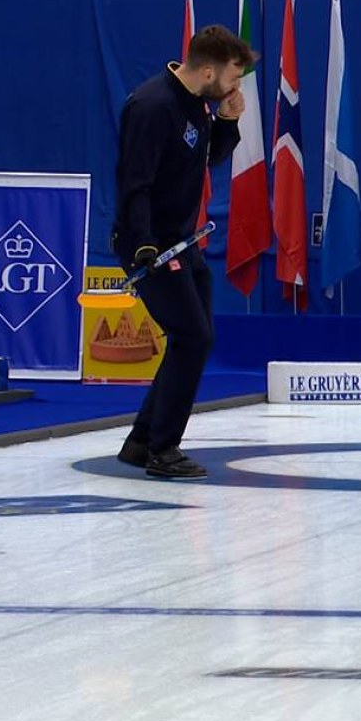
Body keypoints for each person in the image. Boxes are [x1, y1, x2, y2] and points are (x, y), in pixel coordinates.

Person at [112, 25, 253, 479]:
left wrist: (228, 122)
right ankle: (162, 449)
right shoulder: (152, 106)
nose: (235, 86)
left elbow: (204, 158)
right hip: (150, 244)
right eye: (233, 77)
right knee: (193, 337)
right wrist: (144, 244)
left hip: (183, 240)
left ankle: (141, 441)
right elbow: (135, 182)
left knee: (195, 337)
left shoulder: (197, 103)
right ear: (208, 69)